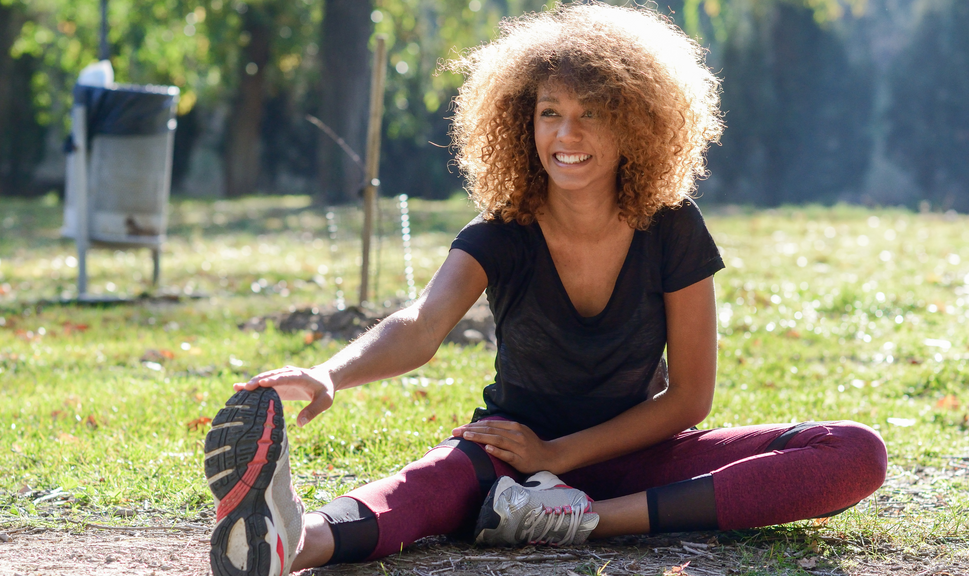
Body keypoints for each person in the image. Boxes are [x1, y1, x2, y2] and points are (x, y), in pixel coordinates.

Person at [202, 4, 888, 575]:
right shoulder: (502, 230)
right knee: (425, 487)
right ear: (520, 123)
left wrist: (559, 463)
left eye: (592, 113)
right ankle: (287, 541)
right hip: (505, 461)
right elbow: (419, 326)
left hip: (633, 458)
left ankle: (582, 523)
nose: (567, 134)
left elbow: (689, 397)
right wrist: (328, 372)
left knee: (854, 450)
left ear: (637, 124)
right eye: (549, 113)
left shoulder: (673, 227)